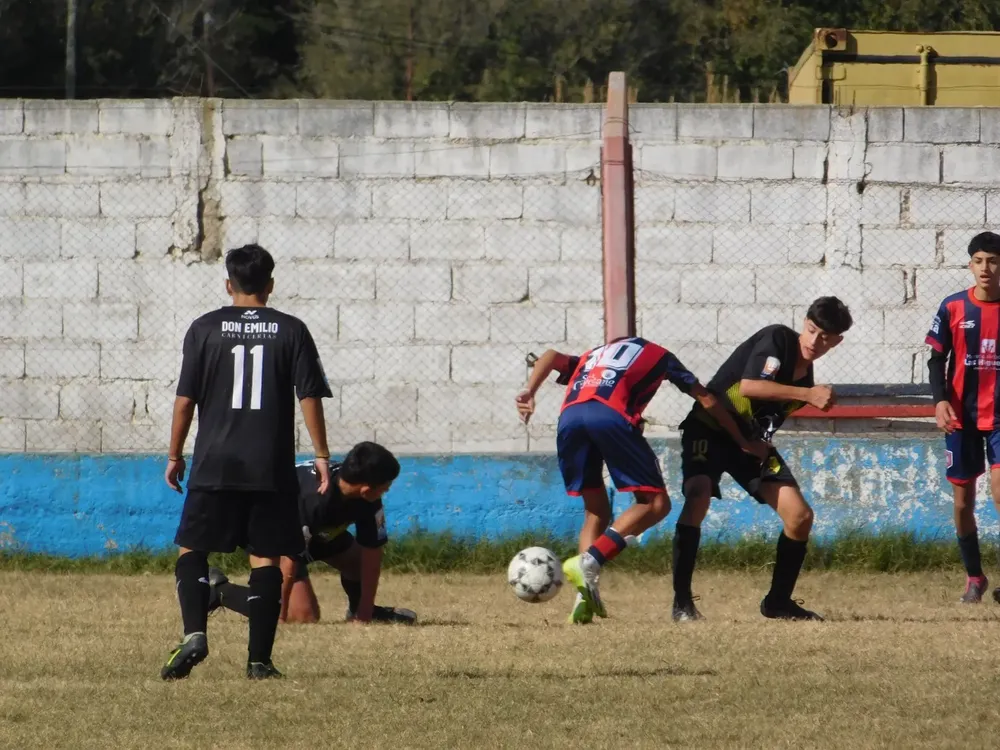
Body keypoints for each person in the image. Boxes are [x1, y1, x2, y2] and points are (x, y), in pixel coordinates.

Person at [160, 244, 333, 681]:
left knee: (193, 550)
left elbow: (185, 401)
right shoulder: (291, 330)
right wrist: (321, 454)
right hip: (269, 467)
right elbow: (308, 395)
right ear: (270, 286)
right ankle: (259, 661)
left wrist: (175, 454)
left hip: (215, 463)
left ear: (228, 284)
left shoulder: (204, 328)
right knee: (265, 559)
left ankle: (195, 633)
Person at [516, 336, 768, 624]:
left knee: (595, 510)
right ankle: (591, 560)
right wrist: (742, 440)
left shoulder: (593, 356)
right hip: (608, 415)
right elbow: (706, 397)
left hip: (569, 419)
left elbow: (548, 356)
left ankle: (584, 593)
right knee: (657, 503)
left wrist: (528, 390)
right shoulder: (659, 354)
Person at [671, 297, 852, 623]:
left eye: (825, 337)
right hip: (709, 428)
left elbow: (765, 418)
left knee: (800, 516)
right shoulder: (778, 339)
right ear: (804, 322)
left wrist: (758, 441)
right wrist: (807, 396)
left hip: (749, 446)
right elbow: (751, 386)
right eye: (811, 330)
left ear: (837, 341)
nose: (814, 341)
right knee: (698, 494)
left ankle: (778, 602)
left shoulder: (805, 376)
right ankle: (682, 602)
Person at [208, 442, 416, 626]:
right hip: (268, 533)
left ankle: (357, 610)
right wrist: (278, 616)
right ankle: (218, 590)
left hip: (317, 533)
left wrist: (365, 612)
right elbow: (289, 560)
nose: (387, 491)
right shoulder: (313, 499)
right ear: (366, 489)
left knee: (358, 561)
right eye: (385, 487)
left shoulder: (368, 498)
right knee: (302, 615)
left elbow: (372, 553)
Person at [926, 231, 1000, 604]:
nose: (986, 268)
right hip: (962, 419)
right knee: (962, 502)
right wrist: (939, 402)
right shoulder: (953, 307)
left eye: (993, 260)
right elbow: (936, 359)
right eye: (979, 261)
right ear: (971, 265)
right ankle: (975, 577)